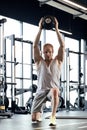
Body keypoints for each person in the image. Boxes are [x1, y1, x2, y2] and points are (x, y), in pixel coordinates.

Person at [31, 17, 65, 126]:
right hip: (40, 91)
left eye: (49, 52)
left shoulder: (58, 60)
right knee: (34, 119)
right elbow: (35, 46)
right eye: (45, 52)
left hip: (52, 91)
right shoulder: (39, 61)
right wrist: (40, 28)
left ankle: (53, 117)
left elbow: (62, 45)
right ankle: (39, 112)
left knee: (55, 90)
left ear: (53, 52)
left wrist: (56, 28)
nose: (47, 54)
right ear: (43, 52)